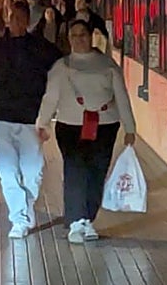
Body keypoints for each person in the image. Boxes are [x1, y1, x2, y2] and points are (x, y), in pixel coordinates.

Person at [37, 19, 137, 244]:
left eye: (83, 34)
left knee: (97, 172)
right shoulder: (62, 67)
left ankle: (88, 219)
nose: (79, 39)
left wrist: (130, 128)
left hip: (105, 126)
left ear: (92, 36)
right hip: (70, 125)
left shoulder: (108, 65)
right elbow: (50, 97)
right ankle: (75, 221)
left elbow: (122, 97)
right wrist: (42, 123)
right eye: (74, 35)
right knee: (75, 171)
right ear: (68, 39)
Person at [0, 2, 63, 239]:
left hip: (31, 119)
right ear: (8, 18)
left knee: (33, 171)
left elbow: (60, 69)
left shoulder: (41, 49)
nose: (17, 23)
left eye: (21, 18)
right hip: (3, 118)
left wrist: (51, 111)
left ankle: (25, 209)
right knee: (8, 171)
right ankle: (19, 218)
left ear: (27, 21)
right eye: (13, 18)